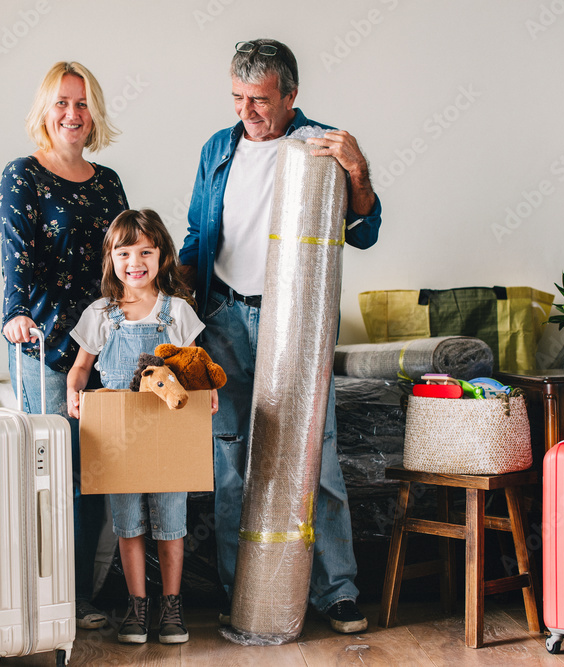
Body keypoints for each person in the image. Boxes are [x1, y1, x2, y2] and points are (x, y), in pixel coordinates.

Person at [178, 38, 383, 634]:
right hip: (223, 321)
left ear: (292, 96)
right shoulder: (218, 148)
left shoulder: (321, 147)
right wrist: (178, 312)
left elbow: (365, 230)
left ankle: (338, 593)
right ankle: (240, 592)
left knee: (314, 457)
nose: (247, 112)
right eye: (238, 98)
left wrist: (358, 170)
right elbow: (197, 235)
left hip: (294, 323)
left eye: (260, 100)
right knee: (231, 462)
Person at [0, 61, 128, 630]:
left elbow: (125, 264)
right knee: (49, 477)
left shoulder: (109, 183)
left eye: (81, 103)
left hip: (105, 345)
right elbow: (16, 262)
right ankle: (43, 600)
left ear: (93, 112)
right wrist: (16, 317)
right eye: (61, 103)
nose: (72, 114)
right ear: (44, 112)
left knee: (98, 475)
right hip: (47, 346)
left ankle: (81, 596)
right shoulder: (22, 175)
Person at [66, 209, 218, 644]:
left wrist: (209, 393)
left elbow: (196, 369)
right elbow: (80, 369)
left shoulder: (178, 313)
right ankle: (137, 609)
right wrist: (74, 392)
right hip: (118, 438)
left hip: (168, 433)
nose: (136, 261)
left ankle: (172, 608)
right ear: (111, 258)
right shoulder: (101, 314)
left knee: (171, 524)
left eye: (146, 251)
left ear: (162, 256)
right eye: (125, 251)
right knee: (128, 524)